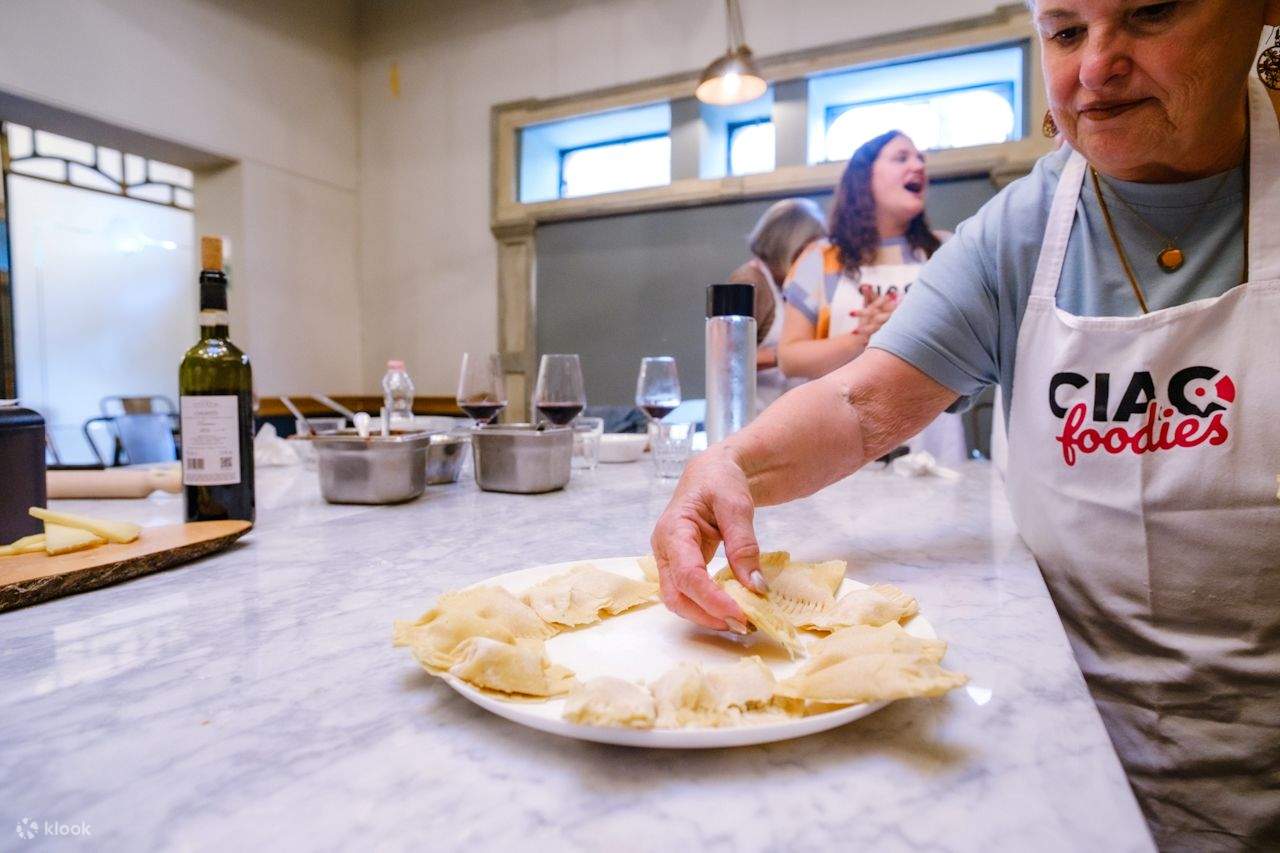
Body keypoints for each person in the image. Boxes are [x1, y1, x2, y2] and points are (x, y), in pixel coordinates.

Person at [650, 2, 1280, 849]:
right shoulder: (1022, 229)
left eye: (1151, 13)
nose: (1095, 67)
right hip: (1057, 749)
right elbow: (860, 404)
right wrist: (727, 466)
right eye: (1064, 32)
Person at [777, 131, 967, 463]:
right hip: (843, 446)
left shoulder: (948, 251)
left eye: (920, 158)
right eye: (901, 158)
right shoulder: (819, 258)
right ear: (865, 177)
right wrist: (862, 340)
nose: (918, 165)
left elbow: (973, 347)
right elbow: (790, 359)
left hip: (933, 443)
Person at [727, 198, 827, 411]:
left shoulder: (797, 284)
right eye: (808, 249)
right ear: (790, 246)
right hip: (756, 416)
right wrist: (792, 354)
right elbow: (726, 358)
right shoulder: (750, 282)